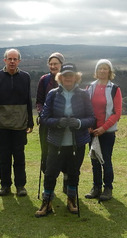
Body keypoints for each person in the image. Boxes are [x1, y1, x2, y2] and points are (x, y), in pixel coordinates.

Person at [36, 63, 95, 217]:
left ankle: (71, 200)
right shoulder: (53, 94)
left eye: (71, 75)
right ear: (60, 77)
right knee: (50, 173)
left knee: (73, 173)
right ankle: (46, 202)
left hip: (77, 142)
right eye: (65, 75)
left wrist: (80, 123)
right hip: (56, 142)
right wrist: (57, 122)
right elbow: (44, 118)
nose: (68, 78)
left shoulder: (83, 94)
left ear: (76, 77)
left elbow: (92, 118)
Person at [0, 49, 34, 197]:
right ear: (5, 60)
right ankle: (5, 186)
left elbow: (28, 100)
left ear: (19, 61)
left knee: (19, 157)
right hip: (1, 125)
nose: (12, 61)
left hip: (20, 125)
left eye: (15, 59)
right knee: (4, 158)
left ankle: (21, 186)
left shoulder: (25, 77)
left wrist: (30, 122)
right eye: (9, 59)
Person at [85, 59, 122, 201]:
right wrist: (89, 125)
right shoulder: (90, 87)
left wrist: (103, 128)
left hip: (107, 132)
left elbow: (117, 112)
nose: (102, 71)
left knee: (105, 160)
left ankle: (108, 188)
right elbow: (86, 108)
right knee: (94, 160)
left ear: (110, 71)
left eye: (105, 68)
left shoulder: (114, 89)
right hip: (92, 131)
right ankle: (96, 187)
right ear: (96, 71)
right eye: (100, 68)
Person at [35, 52, 68, 192]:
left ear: (61, 65)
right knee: (47, 154)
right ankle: (48, 187)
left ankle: (67, 185)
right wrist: (43, 115)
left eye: (56, 63)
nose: (53, 66)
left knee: (66, 154)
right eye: (51, 64)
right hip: (47, 124)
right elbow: (39, 101)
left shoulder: (68, 78)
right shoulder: (44, 80)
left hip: (65, 124)